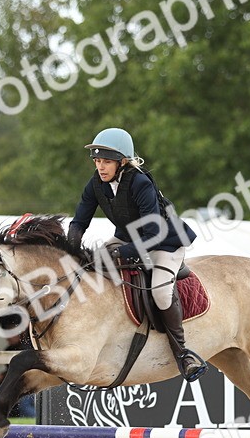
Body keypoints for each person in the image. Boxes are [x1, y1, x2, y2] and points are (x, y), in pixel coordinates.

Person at [67, 127, 206, 381]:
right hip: (128, 236)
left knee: (160, 292)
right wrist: (72, 248)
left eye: (106, 161)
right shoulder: (96, 183)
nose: (100, 167)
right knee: (89, 266)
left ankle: (183, 354)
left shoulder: (140, 183)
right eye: (97, 161)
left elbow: (152, 234)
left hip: (164, 241)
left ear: (122, 162)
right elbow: (79, 221)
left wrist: (119, 253)